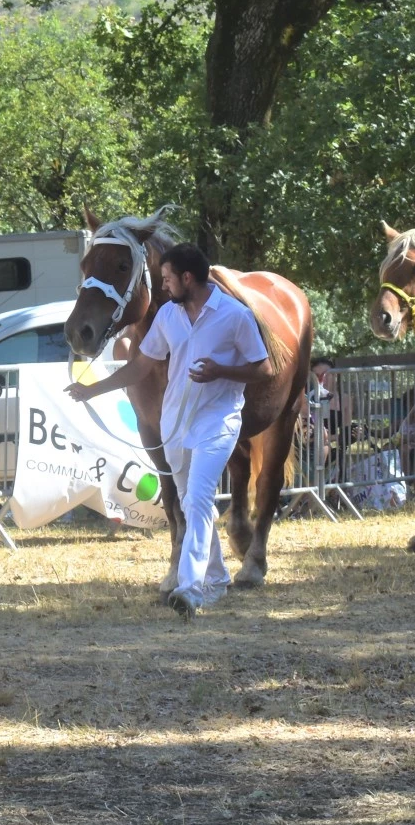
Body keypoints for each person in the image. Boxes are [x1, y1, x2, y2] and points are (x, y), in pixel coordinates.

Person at [69, 243, 272, 618]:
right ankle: (216, 576)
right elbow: (141, 366)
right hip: (176, 424)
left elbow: (264, 369)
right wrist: (90, 390)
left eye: (166, 279)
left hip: (219, 420)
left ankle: (190, 587)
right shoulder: (168, 318)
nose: (162, 287)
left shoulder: (234, 316)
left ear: (187, 279)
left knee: (195, 499)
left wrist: (221, 372)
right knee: (196, 503)